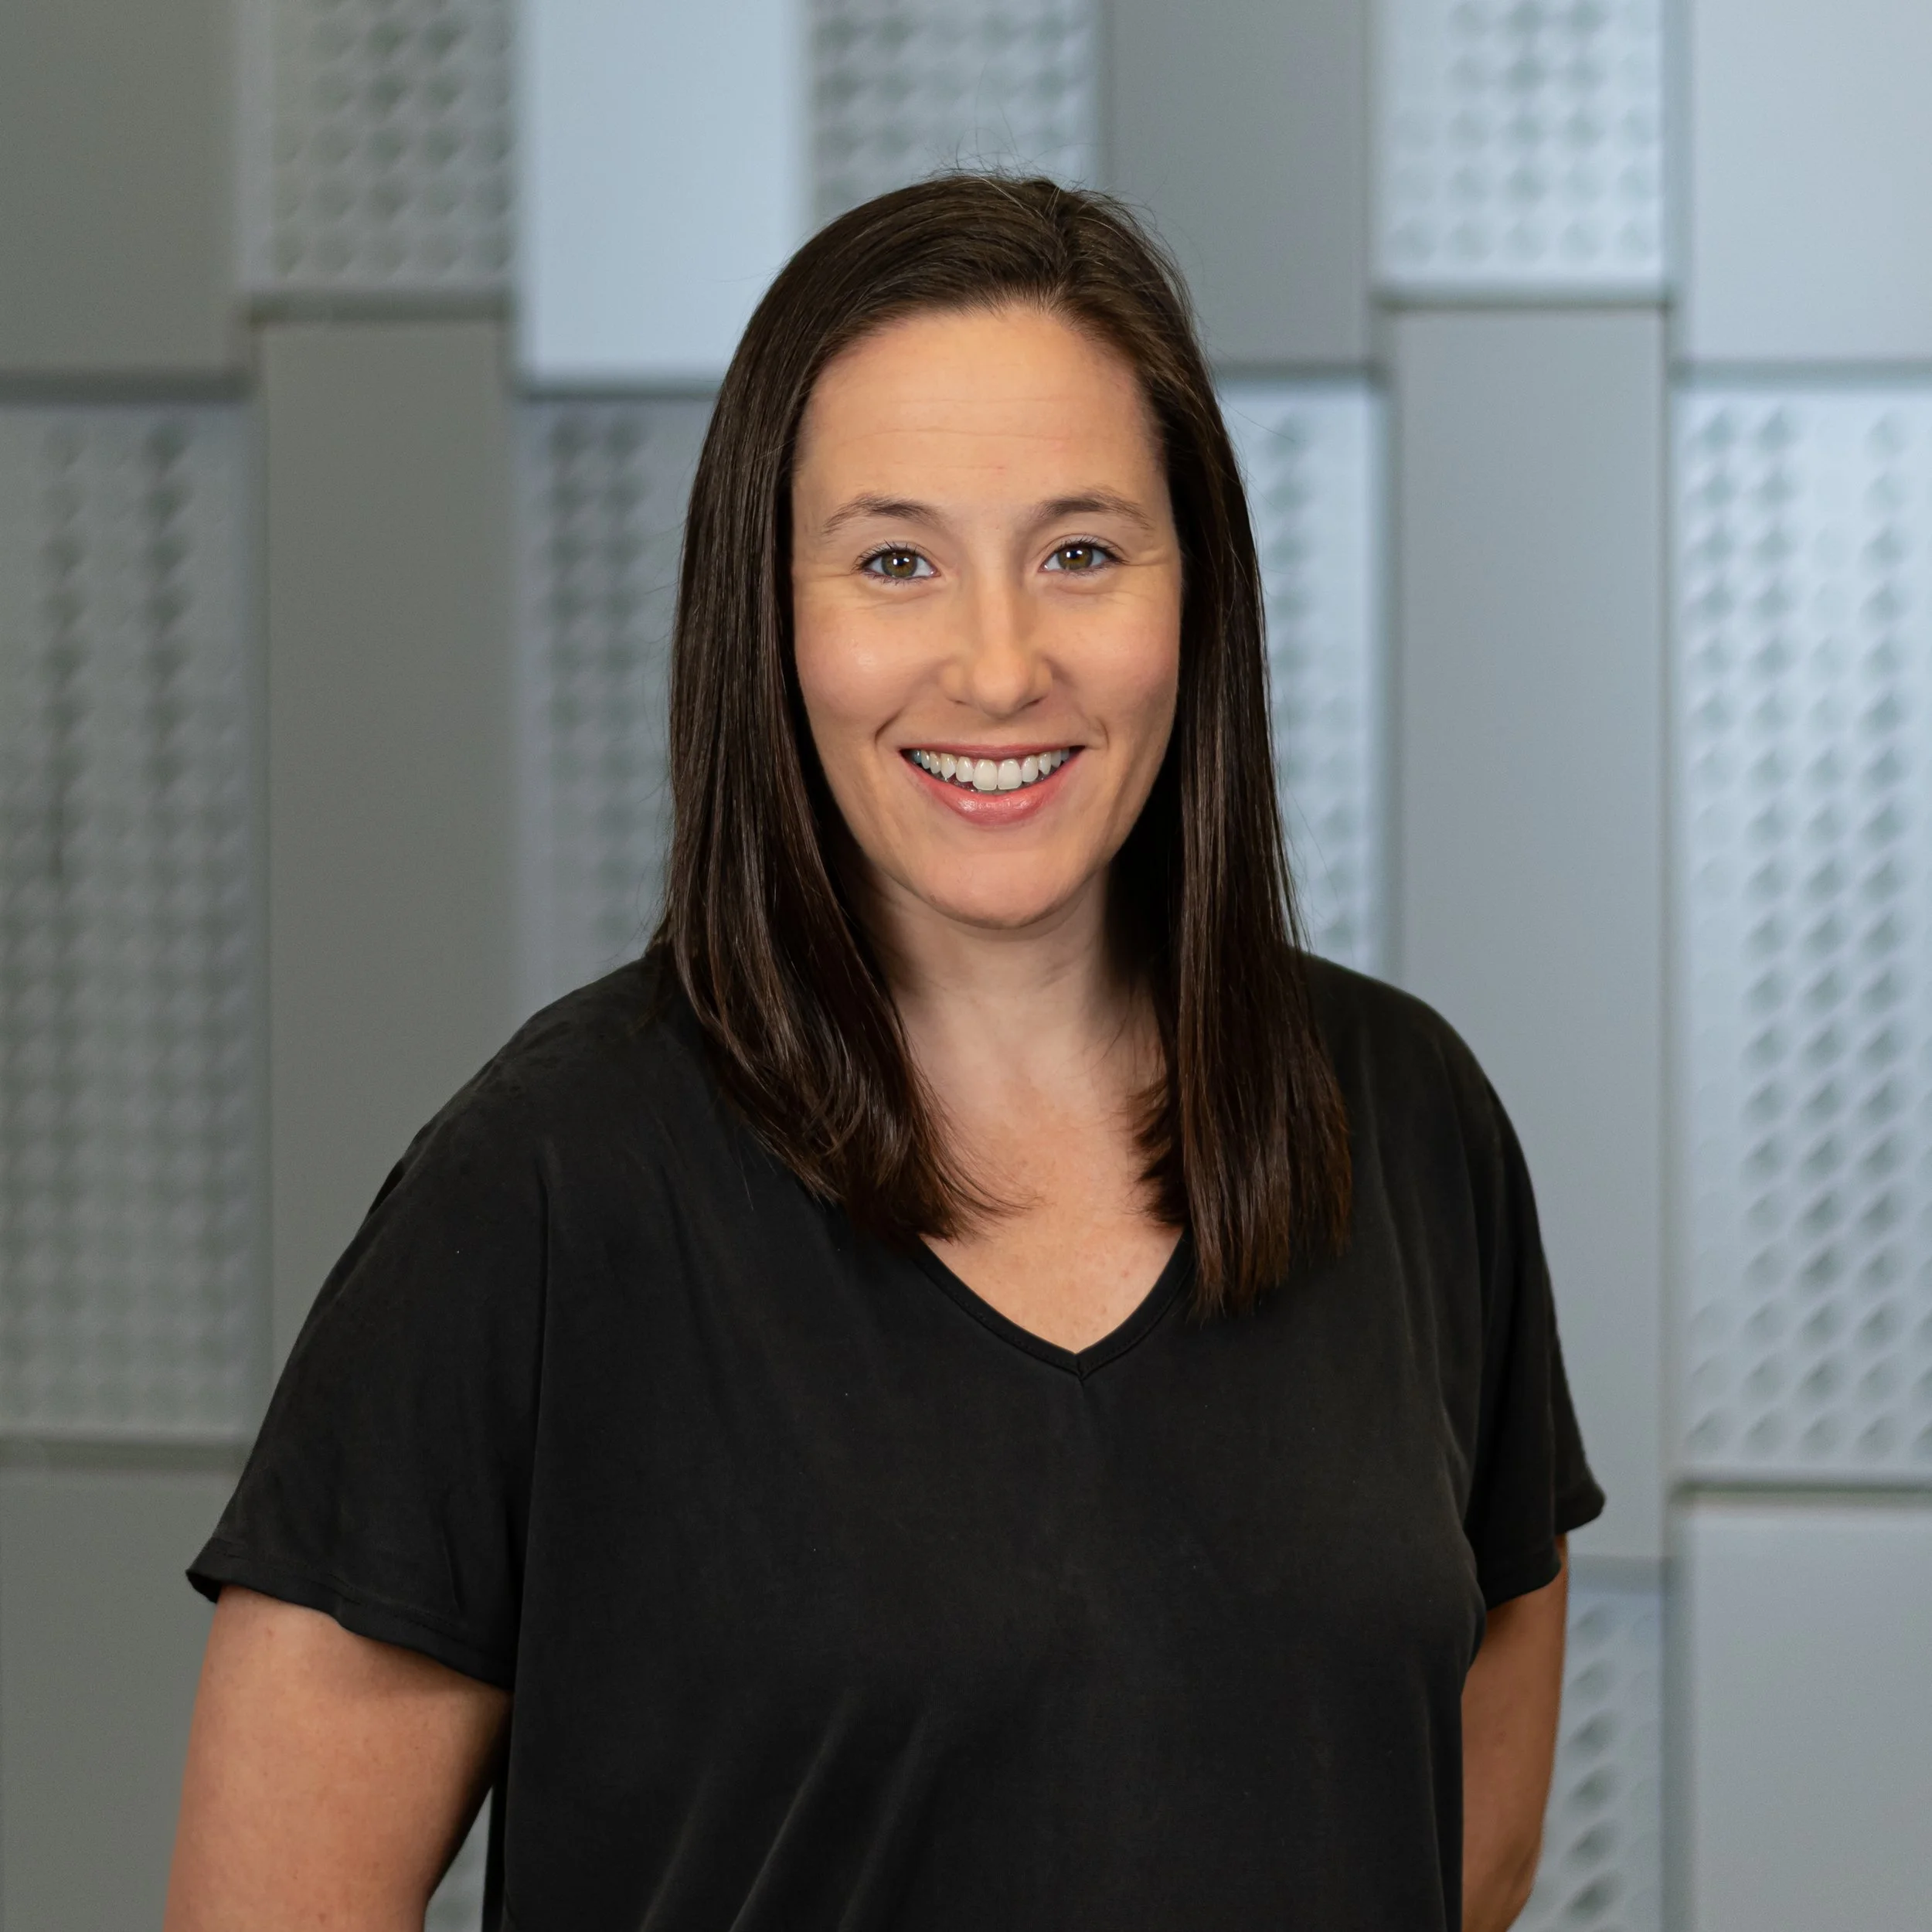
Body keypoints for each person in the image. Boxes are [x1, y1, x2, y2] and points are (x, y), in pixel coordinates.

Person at [166, 175, 1601, 1931]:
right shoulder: (542, 1196)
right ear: (768, 617)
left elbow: (1470, 1843)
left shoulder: (1404, 1122)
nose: (997, 666)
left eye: (1078, 549)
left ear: (1195, 593)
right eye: (893, 559)